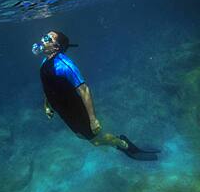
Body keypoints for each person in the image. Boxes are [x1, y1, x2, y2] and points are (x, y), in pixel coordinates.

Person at [32, 30, 160, 161]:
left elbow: (84, 89)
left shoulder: (64, 65)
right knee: (80, 135)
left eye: (48, 38)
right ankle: (119, 142)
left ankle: (124, 145)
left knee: (96, 141)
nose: (42, 39)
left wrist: (93, 120)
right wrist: (47, 105)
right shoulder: (44, 62)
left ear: (56, 47)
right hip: (63, 110)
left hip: (75, 109)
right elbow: (47, 86)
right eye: (44, 36)